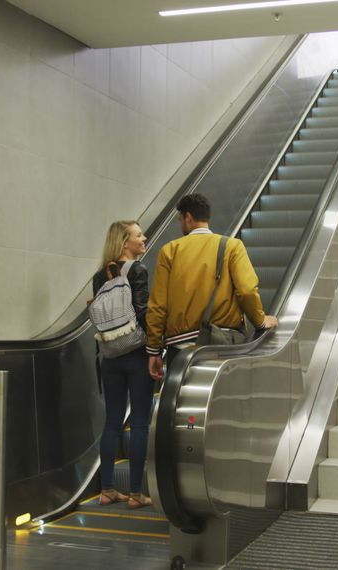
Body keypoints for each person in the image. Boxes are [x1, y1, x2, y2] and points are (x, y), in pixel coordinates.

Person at [146, 193, 278, 380]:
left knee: (182, 404)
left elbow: (158, 305)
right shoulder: (232, 246)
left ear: (188, 217)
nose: (181, 224)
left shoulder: (169, 250)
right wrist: (260, 321)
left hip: (181, 348)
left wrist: (154, 350)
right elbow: (247, 290)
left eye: (180, 219)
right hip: (223, 343)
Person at [91, 220, 154, 509]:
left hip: (109, 356)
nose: (144, 238)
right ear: (125, 242)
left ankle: (107, 490)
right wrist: (155, 348)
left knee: (113, 421)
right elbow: (141, 313)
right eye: (138, 235)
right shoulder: (138, 271)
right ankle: (137, 493)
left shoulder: (99, 276)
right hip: (136, 354)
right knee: (139, 422)